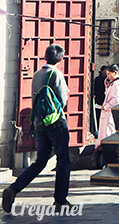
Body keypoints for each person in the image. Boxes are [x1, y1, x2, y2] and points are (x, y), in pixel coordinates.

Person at [2, 44, 70, 212]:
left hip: (39, 123)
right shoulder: (56, 74)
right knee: (64, 160)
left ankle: (13, 189)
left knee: (39, 162)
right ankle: (60, 200)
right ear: (60, 59)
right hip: (56, 123)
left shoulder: (37, 74)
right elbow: (62, 99)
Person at [98, 64, 119, 144]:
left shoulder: (118, 84)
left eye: (109, 74)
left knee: (109, 133)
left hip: (111, 112)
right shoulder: (114, 83)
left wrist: (106, 106)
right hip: (108, 111)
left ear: (115, 72)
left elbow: (116, 100)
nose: (108, 76)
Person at [91, 65, 108, 134]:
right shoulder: (97, 79)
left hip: (105, 99)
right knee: (98, 115)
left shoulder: (107, 79)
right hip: (99, 99)